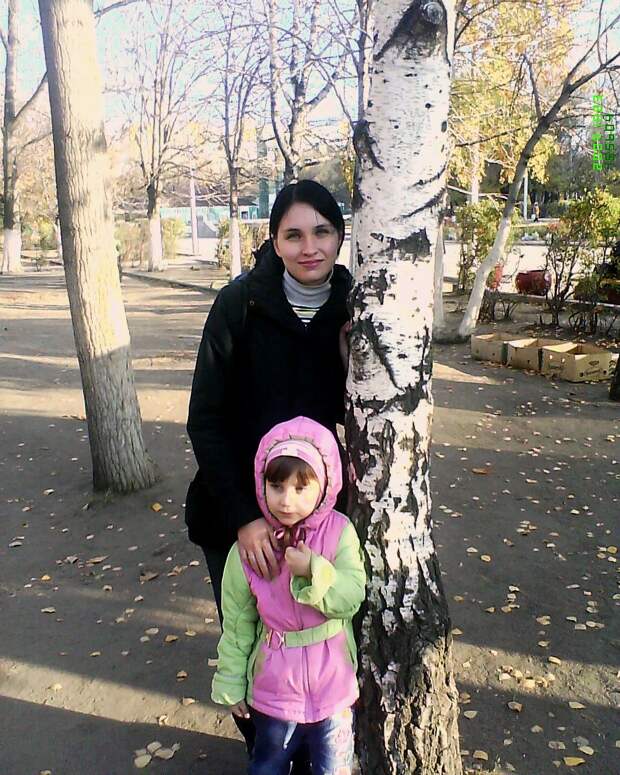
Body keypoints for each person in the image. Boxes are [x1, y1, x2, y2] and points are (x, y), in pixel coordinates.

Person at [185, 180, 352, 770]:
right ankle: (267, 756)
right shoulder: (240, 304)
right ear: (275, 242)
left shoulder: (356, 309)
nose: (310, 247)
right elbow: (204, 419)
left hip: (319, 520)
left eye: (322, 232)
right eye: (293, 234)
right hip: (236, 519)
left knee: (318, 647)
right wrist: (245, 519)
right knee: (253, 650)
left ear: (339, 236)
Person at [211, 416, 366, 775]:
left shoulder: (340, 533)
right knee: (269, 766)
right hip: (275, 691)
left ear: (324, 486)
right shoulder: (250, 550)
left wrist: (315, 569)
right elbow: (237, 623)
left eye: (300, 488)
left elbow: (351, 596)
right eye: (277, 486)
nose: (286, 501)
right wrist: (231, 682)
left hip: (333, 688)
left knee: (332, 768)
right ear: (262, 483)